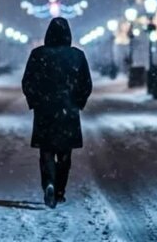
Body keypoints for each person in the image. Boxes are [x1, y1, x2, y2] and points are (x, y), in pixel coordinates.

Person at [22, 18, 93, 209]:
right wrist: (77, 102)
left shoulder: (38, 54)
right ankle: (60, 190)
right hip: (68, 111)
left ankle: (49, 183)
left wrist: (36, 102)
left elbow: (27, 82)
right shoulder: (77, 56)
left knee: (46, 151)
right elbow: (86, 84)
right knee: (65, 155)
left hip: (45, 111)